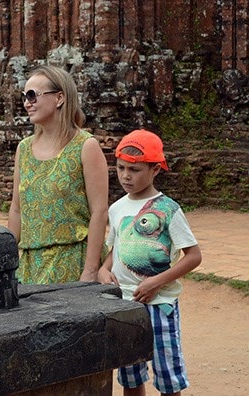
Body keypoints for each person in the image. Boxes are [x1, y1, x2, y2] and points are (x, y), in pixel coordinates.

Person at [98, 129, 202, 396]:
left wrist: (157, 281)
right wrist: (103, 269)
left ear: (155, 170)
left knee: (168, 375)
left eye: (135, 170)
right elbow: (116, 248)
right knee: (129, 375)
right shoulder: (117, 208)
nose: (126, 176)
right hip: (125, 304)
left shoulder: (168, 209)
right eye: (121, 168)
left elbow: (193, 256)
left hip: (160, 305)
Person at [7, 65, 109, 284]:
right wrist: (6, 261)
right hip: (30, 265)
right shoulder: (24, 149)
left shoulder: (85, 146)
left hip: (72, 261)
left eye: (33, 95)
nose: (27, 103)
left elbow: (99, 212)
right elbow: (16, 209)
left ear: (59, 98)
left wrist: (90, 271)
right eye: (24, 96)